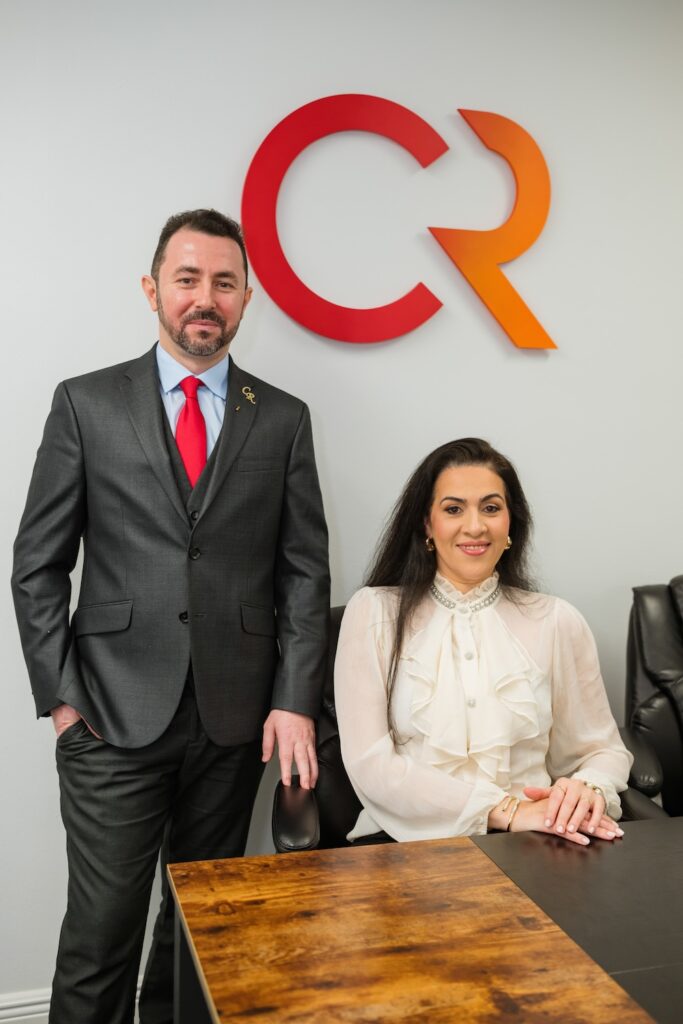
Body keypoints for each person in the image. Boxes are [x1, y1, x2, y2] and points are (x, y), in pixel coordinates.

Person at [11, 209, 330, 1024]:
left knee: (198, 933)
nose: (205, 298)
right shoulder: (85, 403)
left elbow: (302, 572)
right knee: (101, 939)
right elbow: (37, 564)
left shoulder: (282, 417)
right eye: (187, 279)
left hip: (233, 720)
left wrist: (293, 699)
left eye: (224, 282)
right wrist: (62, 699)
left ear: (247, 297)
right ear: (152, 289)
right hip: (109, 715)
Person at [335, 438, 631, 846]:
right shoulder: (374, 613)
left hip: (537, 840)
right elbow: (371, 765)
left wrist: (587, 789)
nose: (475, 526)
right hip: (404, 842)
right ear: (427, 524)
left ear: (511, 523)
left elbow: (602, 749)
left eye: (491, 508)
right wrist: (507, 811)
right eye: (453, 509)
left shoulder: (556, 620)